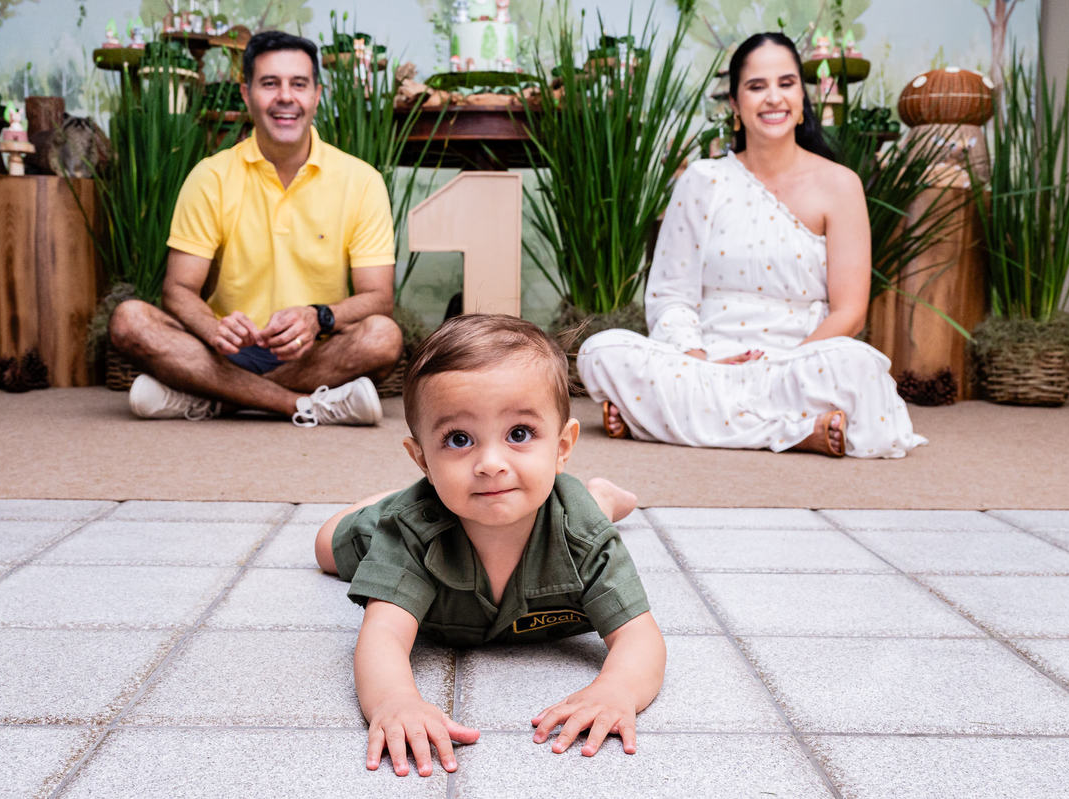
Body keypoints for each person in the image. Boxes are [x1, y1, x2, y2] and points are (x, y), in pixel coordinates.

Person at [314, 314, 665, 776]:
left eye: (519, 434)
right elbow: (382, 636)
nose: (491, 463)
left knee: (578, 505)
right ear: (422, 458)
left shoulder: (583, 534)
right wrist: (395, 701)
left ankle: (599, 497)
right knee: (324, 547)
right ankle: (382, 501)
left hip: (561, 503)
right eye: (459, 440)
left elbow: (639, 636)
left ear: (562, 447)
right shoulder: (409, 531)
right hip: (411, 513)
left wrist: (617, 689)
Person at [578, 32, 927, 458]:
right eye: (756, 86)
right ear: (735, 105)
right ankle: (799, 432)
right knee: (602, 351)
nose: (773, 98)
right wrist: (698, 358)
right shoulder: (703, 180)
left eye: (786, 83)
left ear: (802, 96)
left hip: (798, 363)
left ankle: (660, 420)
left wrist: (781, 364)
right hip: (709, 362)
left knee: (859, 366)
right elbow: (672, 295)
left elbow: (850, 311)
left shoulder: (839, 184)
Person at [109, 30, 402, 427]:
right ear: (247, 94)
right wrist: (213, 329)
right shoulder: (210, 176)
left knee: (384, 336)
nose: (285, 97)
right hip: (224, 350)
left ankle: (216, 398)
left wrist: (319, 317)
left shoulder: (361, 180)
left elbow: (377, 298)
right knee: (129, 319)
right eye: (269, 84)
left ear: (317, 94)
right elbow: (177, 291)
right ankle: (299, 405)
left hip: (315, 351)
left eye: (298, 84)